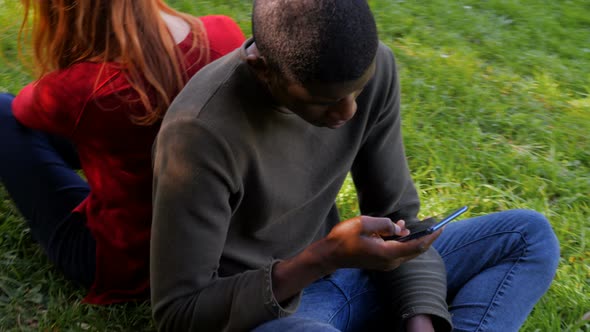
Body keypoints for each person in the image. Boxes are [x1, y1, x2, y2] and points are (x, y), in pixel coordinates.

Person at [150, 0, 560, 330]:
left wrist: (421, 317)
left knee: (529, 236)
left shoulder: (372, 70)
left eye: (358, 91)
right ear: (263, 69)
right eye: (322, 101)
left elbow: (398, 217)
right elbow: (181, 312)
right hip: (269, 313)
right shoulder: (200, 133)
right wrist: (323, 257)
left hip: (355, 275)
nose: (347, 112)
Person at [0, 0, 245, 304]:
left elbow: (23, 109)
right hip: (216, 247)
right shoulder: (223, 35)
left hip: (131, 266)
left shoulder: (81, 89)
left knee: (3, 111)